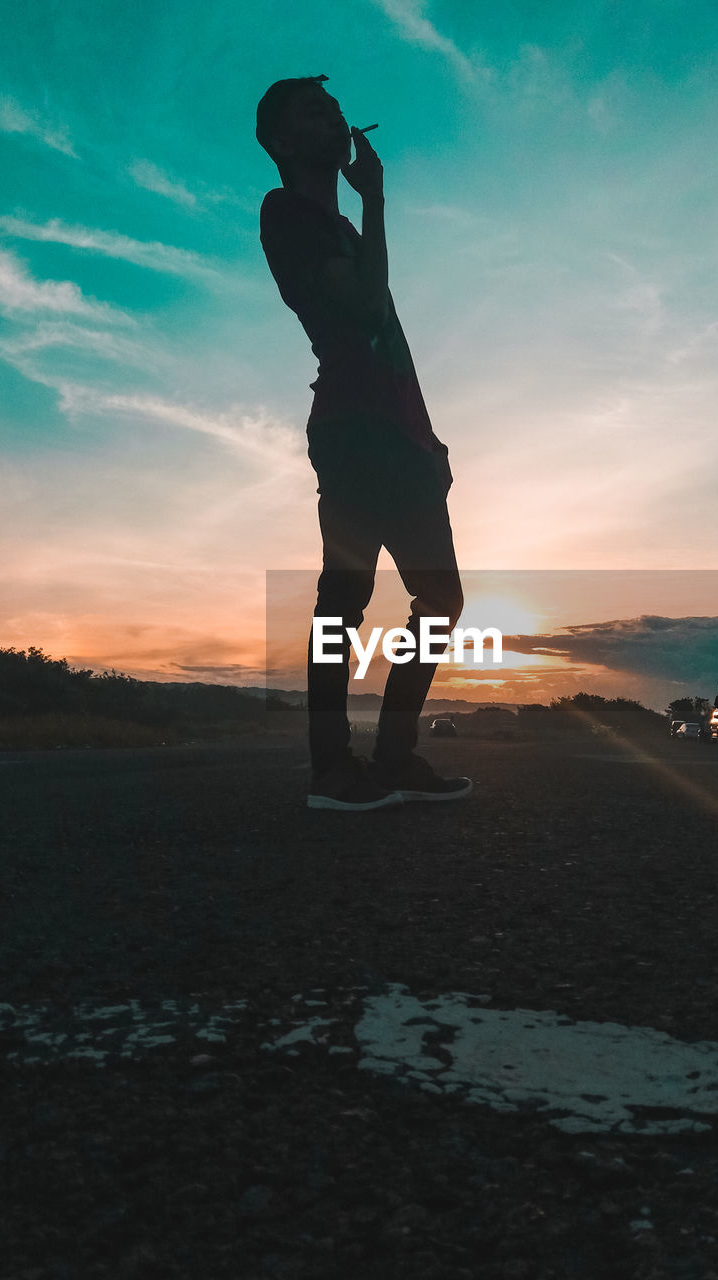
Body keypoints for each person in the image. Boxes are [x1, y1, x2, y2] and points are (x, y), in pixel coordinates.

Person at [256, 75, 472, 811]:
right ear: (281, 141)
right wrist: (377, 200)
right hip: (352, 431)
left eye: (338, 108)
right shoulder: (285, 214)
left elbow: (387, 339)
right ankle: (331, 768)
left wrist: (427, 439)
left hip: (402, 437)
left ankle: (393, 757)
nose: (336, 118)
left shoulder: (346, 233)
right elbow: (365, 304)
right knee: (343, 598)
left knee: (440, 598)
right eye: (315, 112)